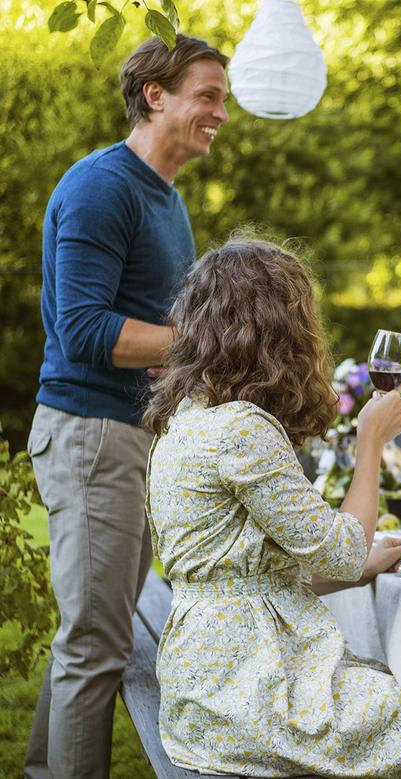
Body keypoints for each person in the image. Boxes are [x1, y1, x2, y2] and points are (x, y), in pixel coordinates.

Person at [143, 238, 401, 777]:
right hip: (253, 693)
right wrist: (371, 441)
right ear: (280, 330)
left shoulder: (185, 418)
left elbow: (247, 576)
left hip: (204, 688)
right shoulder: (241, 428)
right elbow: (343, 552)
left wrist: (364, 564)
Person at [25, 35, 229, 778]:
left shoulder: (165, 198)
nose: (220, 113)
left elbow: (164, 332)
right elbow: (83, 331)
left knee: (92, 635)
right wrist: (210, 346)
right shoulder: (101, 187)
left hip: (131, 439)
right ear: (156, 94)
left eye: (223, 100)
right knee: (97, 646)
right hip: (92, 437)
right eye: (207, 95)